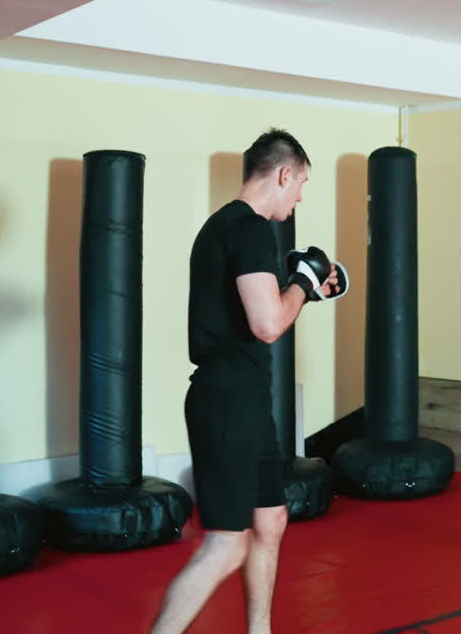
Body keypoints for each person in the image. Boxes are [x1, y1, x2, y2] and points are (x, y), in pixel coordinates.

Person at [150, 129, 339, 634]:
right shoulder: (251, 229)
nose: (300, 194)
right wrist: (303, 281)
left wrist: (306, 289)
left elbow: (261, 310)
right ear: (283, 173)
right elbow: (269, 323)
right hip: (227, 399)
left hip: (246, 397)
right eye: (301, 182)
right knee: (227, 542)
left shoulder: (223, 226)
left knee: (270, 521)